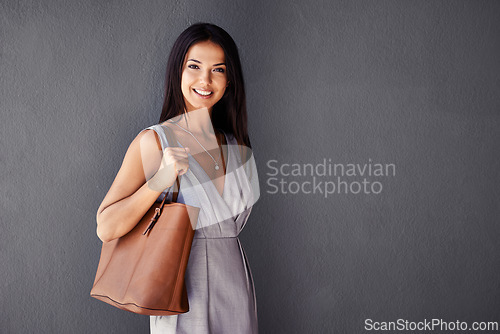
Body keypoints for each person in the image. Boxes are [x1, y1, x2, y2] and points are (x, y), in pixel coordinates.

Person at [95, 22, 260, 334]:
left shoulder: (238, 146)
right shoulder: (155, 141)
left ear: (230, 80)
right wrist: (160, 179)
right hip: (183, 290)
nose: (205, 80)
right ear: (177, 72)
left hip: (236, 287)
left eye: (218, 69)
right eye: (194, 66)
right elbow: (106, 227)